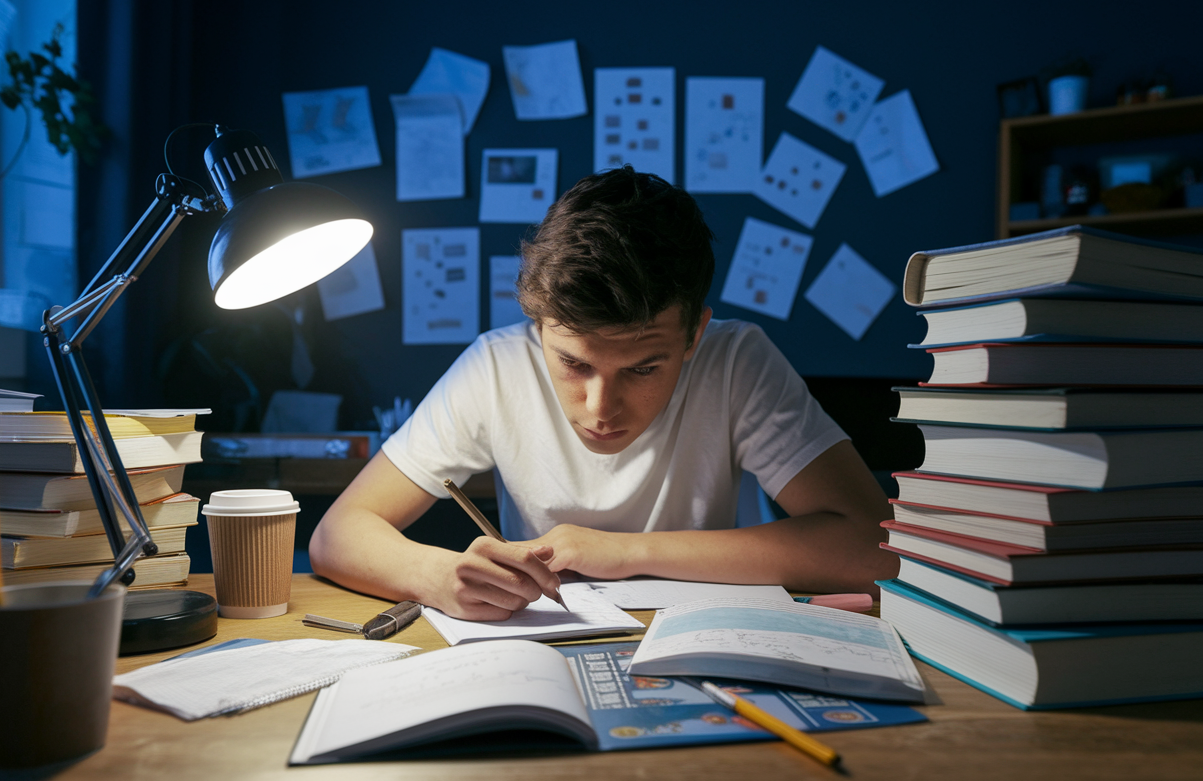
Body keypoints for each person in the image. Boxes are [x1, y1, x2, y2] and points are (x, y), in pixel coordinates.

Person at [310, 167, 897, 620]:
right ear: (537, 325)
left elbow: (874, 551)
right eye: (572, 363)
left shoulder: (736, 359)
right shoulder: (496, 365)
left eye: (643, 368)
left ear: (694, 333)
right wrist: (436, 575)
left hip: (710, 642)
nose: (599, 409)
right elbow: (338, 534)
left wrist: (623, 551)